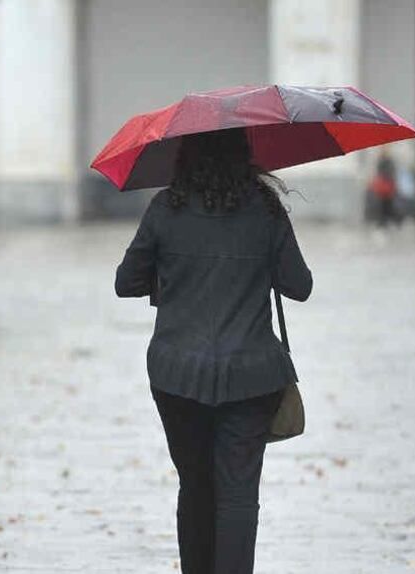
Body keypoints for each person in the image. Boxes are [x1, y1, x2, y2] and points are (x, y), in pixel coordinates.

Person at [115, 128, 312, 574]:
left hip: (177, 373)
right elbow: (299, 286)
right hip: (252, 375)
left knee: (195, 486)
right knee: (239, 494)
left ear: (185, 156)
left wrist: (173, 273)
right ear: (244, 154)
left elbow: (126, 282)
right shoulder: (266, 209)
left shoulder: (166, 207)